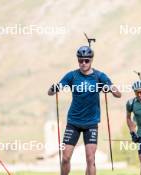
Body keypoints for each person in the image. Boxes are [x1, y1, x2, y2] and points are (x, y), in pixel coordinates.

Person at [48, 45, 121, 175]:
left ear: (91, 60)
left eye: (86, 60)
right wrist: (53, 89)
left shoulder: (99, 76)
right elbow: (52, 91)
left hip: (91, 123)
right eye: (80, 60)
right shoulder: (72, 76)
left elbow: (118, 94)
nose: (83, 63)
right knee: (65, 158)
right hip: (73, 122)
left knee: (91, 159)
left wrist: (109, 88)